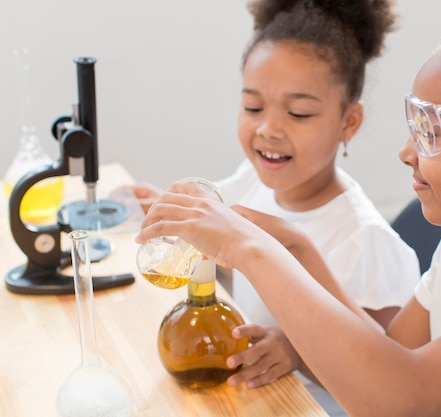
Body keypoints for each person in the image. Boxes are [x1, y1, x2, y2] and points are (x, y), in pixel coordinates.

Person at [137, 0, 441, 415]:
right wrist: (294, 244)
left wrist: (252, 251)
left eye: (431, 132)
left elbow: (404, 399)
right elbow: (390, 351)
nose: (407, 152)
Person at [130, 0, 420, 407]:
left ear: (348, 123)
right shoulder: (251, 182)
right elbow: (222, 252)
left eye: (299, 113)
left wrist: (298, 351)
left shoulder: (364, 242)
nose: (268, 128)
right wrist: (159, 203)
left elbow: (390, 377)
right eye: (253, 106)